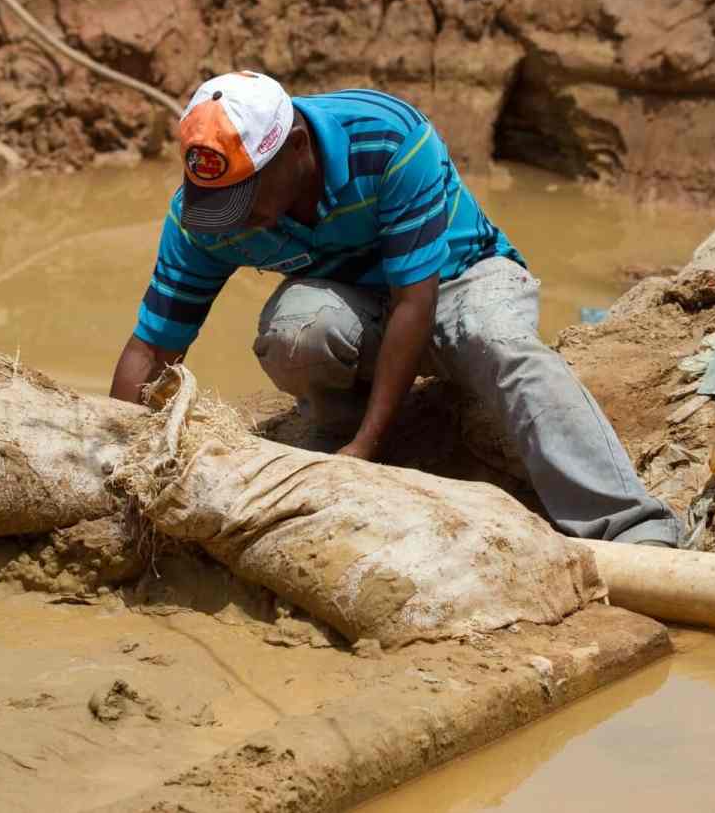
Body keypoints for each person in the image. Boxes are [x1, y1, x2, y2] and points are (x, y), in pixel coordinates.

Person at [110, 71, 681, 547]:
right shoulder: (207, 213)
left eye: (245, 198)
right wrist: (117, 466)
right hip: (357, 303)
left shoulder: (386, 136)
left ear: (297, 150)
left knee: (497, 342)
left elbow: (416, 300)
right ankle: (340, 430)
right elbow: (154, 344)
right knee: (297, 333)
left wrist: (369, 448)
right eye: (217, 203)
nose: (232, 219)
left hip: (461, 276)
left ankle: (632, 526)